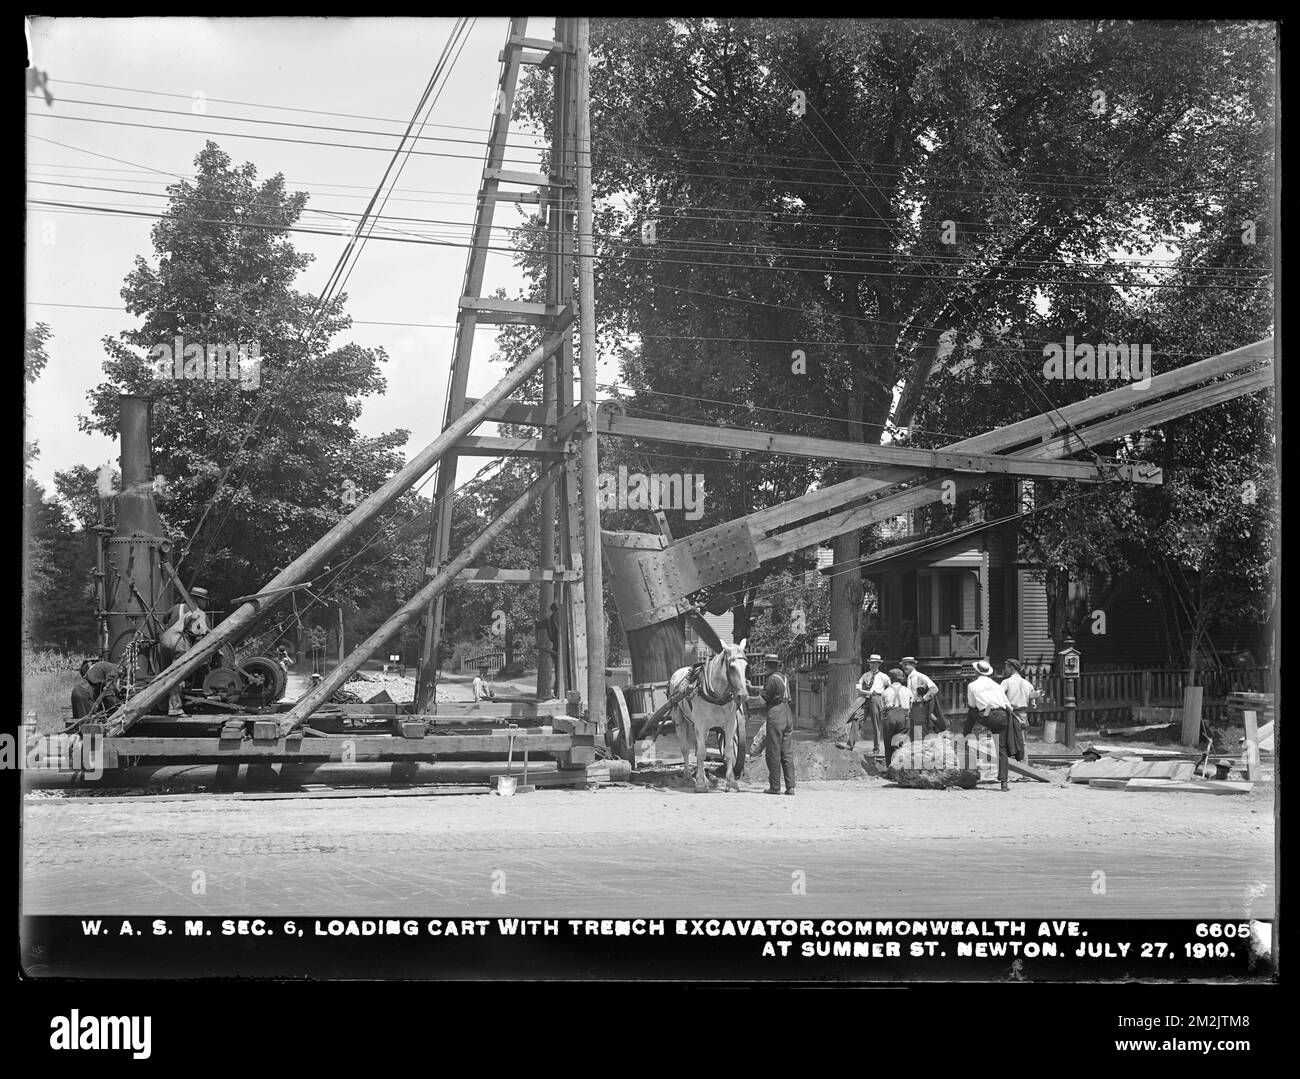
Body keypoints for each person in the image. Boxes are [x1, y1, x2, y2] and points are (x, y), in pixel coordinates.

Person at [963, 659, 1023, 792]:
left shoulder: (972, 685)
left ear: (976, 671)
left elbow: (972, 705)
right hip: (1004, 716)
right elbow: (1007, 705)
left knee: (972, 711)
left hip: (988, 716)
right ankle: (1004, 783)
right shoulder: (996, 685)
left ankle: (965, 734)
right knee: (1001, 750)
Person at [759, 654, 795, 795]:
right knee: (787, 752)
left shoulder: (770, 679)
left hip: (776, 714)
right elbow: (773, 691)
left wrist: (747, 698)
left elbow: (762, 700)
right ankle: (790, 787)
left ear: (767, 665)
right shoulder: (783, 677)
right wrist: (755, 688)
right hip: (787, 713)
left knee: (773, 752)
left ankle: (774, 787)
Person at [849, 654, 889, 751]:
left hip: (876, 699)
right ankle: (849, 745)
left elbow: (889, 690)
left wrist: (882, 698)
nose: (873, 665)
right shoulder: (865, 675)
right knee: (857, 719)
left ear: (879, 664)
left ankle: (876, 747)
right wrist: (869, 692)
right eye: (871, 663)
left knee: (876, 723)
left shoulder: (884, 677)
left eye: (875, 663)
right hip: (865, 699)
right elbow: (858, 689)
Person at [879, 668, 915, 764]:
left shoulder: (885, 692)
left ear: (890, 679)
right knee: (901, 743)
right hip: (904, 716)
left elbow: (882, 707)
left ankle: (889, 766)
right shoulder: (908, 691)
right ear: (901, 679)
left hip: (889, 716)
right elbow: (911, 705)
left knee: (888, 742)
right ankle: (900, 766)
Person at [901, 656, 944, 735]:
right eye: (903, 665)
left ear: (913, 665)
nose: (904, 667)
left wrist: (923, 699)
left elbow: (934, 689)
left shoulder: (920, 676)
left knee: (920, 731)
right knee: (914, 731)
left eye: (906, 665)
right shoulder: (909, 677)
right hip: (913, 707)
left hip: (920, 707)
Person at [71, 655, 121, 720]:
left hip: (76, 691)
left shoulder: (104, 665)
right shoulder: (114, 670)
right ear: (121, 672)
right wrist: (118, 708)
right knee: (87, 725)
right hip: (84, 694)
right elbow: (108, 694)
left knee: (78, 724)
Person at [1001, 659, 1035, 733]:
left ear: (1011, 668)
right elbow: (1033, 703)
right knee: (1021, 739)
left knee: (1009, 739)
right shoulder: (1028, 684)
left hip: (1009, 715)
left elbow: (998, 696)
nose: (1005, 670)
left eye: (1006, 668)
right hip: (1023, 715)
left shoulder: (1006, 682)